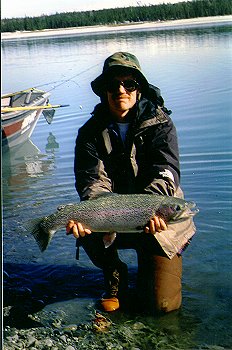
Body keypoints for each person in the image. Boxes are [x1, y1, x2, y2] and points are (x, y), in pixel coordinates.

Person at [66, 52, 185, 314]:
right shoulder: (89, 133)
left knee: (162, 305)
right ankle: (115, 274)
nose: (121, 90)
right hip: (111, 212)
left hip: (158, 215)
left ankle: (150, 267)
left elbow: (166, 171)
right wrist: (89, 213)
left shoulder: (161, 124)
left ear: (138, 87)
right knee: (86, 215)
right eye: (113, 84)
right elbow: (92, 181)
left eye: (128, 84)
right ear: (103, 91)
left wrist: (153, 208)